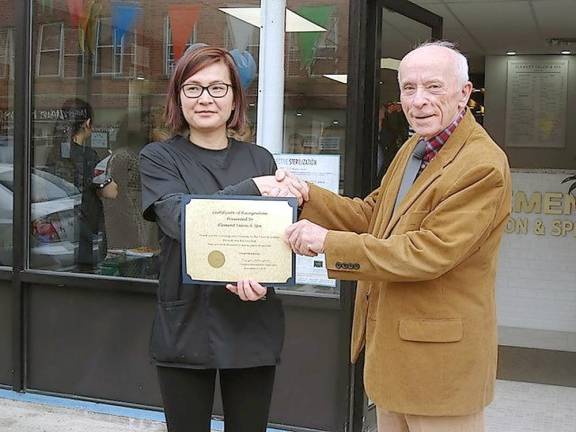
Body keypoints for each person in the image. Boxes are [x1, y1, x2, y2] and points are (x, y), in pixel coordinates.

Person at [279, 41, 512, 432]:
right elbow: (373, 215)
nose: (418, 101)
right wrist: (306, 196)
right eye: (408, 88)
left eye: (433, 87)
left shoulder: (482, 165)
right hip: (393, 362)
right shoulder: (414, 148)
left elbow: (428, 253)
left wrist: (328, 243)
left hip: (441, 372)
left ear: (464, 94)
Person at [138, 45, 306, 432]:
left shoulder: (260, 158)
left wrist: (268, 277)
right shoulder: (159, 158)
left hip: (251, 319)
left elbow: (275, 235)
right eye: (193, 89)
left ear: (234, 99)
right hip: (187, 322)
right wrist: (253, 189)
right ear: (179, 98)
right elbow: (181, 218)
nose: (205, 99)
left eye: (217, 88)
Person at [48, 98, 114, 272]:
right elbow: (109, 192)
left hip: (66, 222)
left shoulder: (55, 152)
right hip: (86, 223)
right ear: (88, 123)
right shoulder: (88, 156)